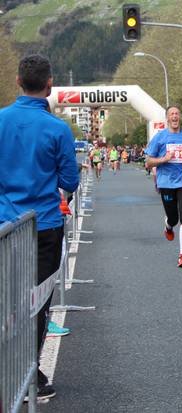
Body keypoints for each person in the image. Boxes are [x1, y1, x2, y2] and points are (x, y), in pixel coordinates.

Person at [0, 54, 80, 401]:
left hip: (4, 225)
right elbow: (70, 181)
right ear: (50, 84)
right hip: (45, 226)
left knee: (7, 299)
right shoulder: (58, 128)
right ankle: (29, 372)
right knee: (36, 302)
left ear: (18, 81)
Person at [145, 105, 182, 268]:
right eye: (171, 114)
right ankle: (168, 225)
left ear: (180, 117)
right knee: (173, 218)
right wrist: (164, 159)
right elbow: (148, 162)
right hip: (166, 182)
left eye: (177, 114)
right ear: (167, 118)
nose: (174, 116)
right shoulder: (159, 137)